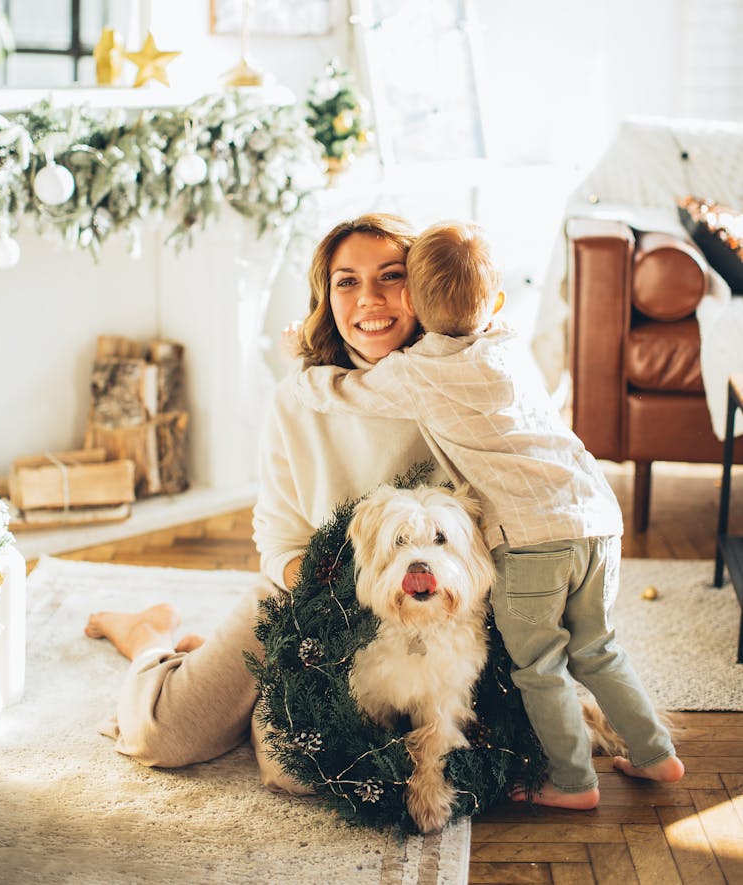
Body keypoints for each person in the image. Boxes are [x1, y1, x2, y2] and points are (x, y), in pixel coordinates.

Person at [292, 219, 685, 809]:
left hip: (533, 541)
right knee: (599, 649)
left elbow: (342, 392)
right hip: (597, 518)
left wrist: (297, 363)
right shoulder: (506, 344)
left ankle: (574, 783)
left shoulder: (417, 370)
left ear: (412, 305)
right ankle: (657, 755)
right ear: (496, 303)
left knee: (540, 665)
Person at [84, 212, 448, 776]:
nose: (369, 299)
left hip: (424, 614)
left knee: (295, 771)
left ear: (424, 284)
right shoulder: (297, 398)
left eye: (391, 275)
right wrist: (339, 606)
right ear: (326, 300)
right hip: (307, 597)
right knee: (164, 737)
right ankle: (149, 638)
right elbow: (278, 538)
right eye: (347, 281)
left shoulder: (460, 390)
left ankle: (223, 671)